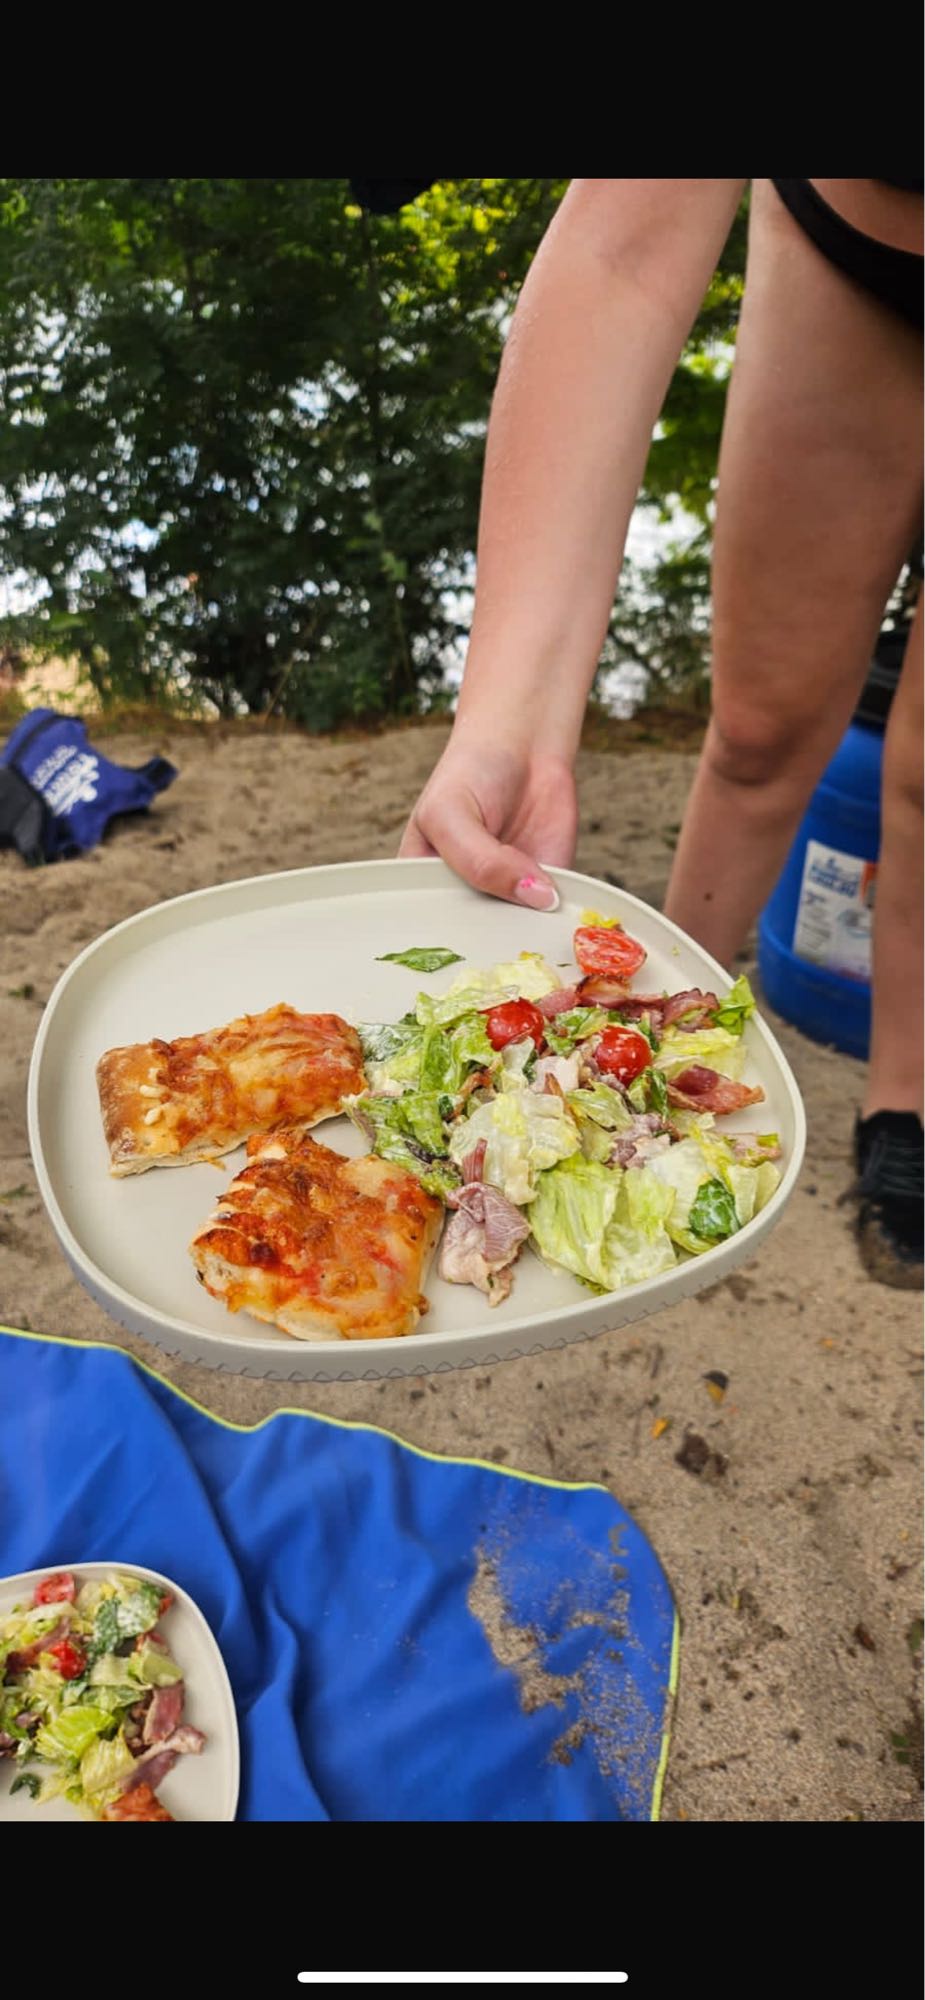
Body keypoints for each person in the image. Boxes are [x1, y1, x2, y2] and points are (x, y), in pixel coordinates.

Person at [394, 179, 923, 1289]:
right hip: (853, 242)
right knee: (760, 733)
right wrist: (513, 728)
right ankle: (642, 1032)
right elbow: (624, 249)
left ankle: (903, 1098)